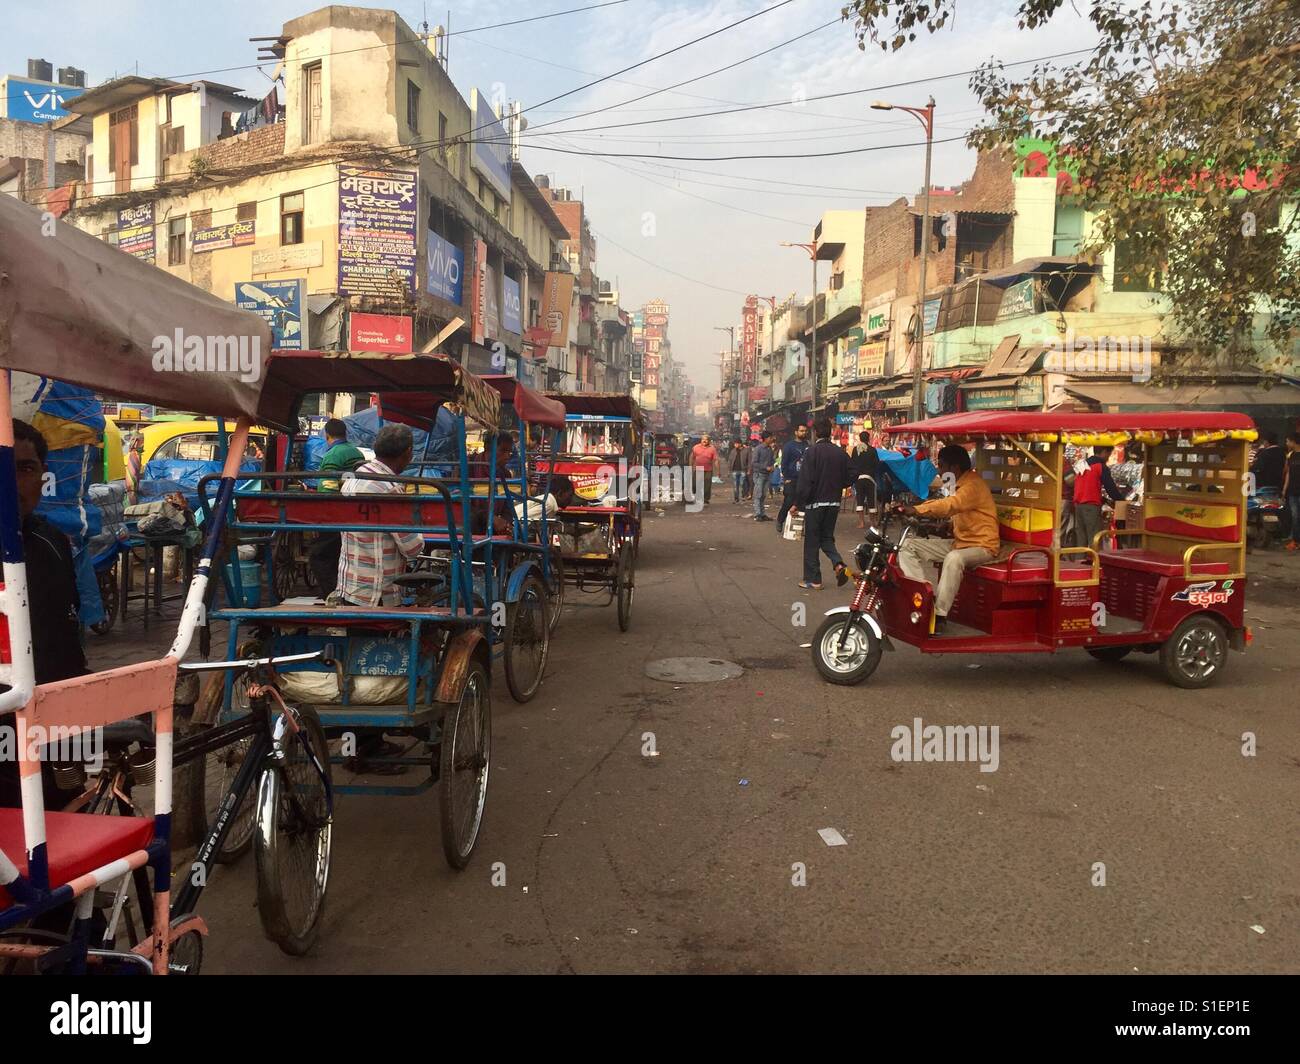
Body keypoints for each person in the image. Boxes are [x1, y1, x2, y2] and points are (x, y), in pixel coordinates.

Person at [0, 420, 89, 809]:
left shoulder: (53, 543)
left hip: (56, 730)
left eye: (26, 468)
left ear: (42, 478)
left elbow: (69, 638)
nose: (13, 481)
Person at [897, 443, 1000, 634]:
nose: (939, 470)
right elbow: (956, 516)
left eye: (942, 465)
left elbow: (951, 505)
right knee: (908, 545)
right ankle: (923, 599)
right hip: (960, 543)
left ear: (955, 468)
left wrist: (917, 509)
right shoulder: (958, 485)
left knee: (954, 558)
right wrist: (937, 526)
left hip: (982, 547)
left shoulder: (972, 485)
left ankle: (939, 614)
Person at [336, 424, 424, 608]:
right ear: (408, 452)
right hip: (378, 597)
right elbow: (413, 548)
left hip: (349, 588)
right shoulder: (389, 489)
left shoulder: (352, 480)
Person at [309, 418, 365, 597]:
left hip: (335, 514)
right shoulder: (356, 452)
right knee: (339, 554)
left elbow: (328, 490)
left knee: (319, 555)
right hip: (353, 512)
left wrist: (319, 520)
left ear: (327, 435)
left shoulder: (332, 455)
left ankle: (331, 595)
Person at [795, 417, 853, 589]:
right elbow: (853, 473)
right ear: (830, 432)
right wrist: (840, 483)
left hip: (815, 504)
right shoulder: (839, 452)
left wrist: (798, 503)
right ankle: (838, 565)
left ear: (815, 432)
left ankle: (814, 579)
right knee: (826, 538)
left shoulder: (811, 452)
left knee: (812, 541)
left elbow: (805, 482)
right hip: (834, 503)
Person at [1072, 444, 1130, 549]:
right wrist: (1122, 501)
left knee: (1081, 539)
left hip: (1078, 506)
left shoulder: (1083, 464)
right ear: (1104, 452)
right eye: (1109, 453)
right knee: (1094, 539)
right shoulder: (1100, 466)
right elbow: (1111, 488)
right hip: (1091, 506)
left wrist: (1103, 499)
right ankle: (1095, 563)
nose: (1109, 457)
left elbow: (1085, 485)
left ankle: (1079, 562)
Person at [776, 422, 809, 534]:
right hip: (791, 478)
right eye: (801, 431)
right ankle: (780, 520)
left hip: (804, 479)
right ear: (796, 432)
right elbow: (784, 463)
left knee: (802, 503)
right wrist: (786, 477)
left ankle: (800, 527)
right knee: (789, 501)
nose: (803, 433)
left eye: (805, 431)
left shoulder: (808, 446)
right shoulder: (789, 446)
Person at [848, 432, 881, 529]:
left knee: (860, 500)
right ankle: (872, 523)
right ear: (869, 439)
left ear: (860, 439)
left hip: (859, 479)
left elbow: (852, 464)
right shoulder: (872, 450)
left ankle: (861, 523)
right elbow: (877, 464)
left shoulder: (855, 450)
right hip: (870, 479)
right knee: (872, 501)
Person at [751, 432, 776, 521]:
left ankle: (762, 513)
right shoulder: (758, 449)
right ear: (765, 439)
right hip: (759, 474)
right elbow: (754, 463)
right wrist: (766, 467)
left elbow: (772, 460)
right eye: (770, 437)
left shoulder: (770, 449)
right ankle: (758, 514)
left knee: (763, 495)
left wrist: (772, 466)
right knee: (758, 495)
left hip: (767, 475)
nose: (772, 439)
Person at [690, 433, 718, 505]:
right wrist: (690, 466)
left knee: (707, 486)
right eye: (703, 439)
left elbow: (716, 460)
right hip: (698, 469)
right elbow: (691, 457)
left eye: (706, 440)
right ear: (701, 440)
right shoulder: (696, 447)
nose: (704, 441)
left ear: (709, 441)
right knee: (695, 484)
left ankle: (705, 499)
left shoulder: (712, 449)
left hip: (708, 470)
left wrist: (718, 471)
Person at [1284, 432, 1300, 552]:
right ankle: (1295, 541)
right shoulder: (1291, 455)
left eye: (1288, 441)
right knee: (1294, 516)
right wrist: (1285, 489)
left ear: (1294, 442)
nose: (1287, 443)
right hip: (1293, 491)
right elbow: (1288, 473)